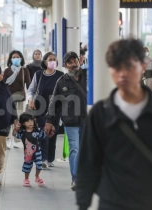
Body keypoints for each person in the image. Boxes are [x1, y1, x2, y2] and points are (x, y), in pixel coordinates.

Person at [76, 38, 152, 210]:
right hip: (112, 202)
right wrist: (83, 205)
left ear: (142, 66)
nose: (122, 73)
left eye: (129, 66)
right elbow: (87, 163)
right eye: (116, 67)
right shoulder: (101, 112)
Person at [44, 51, 87, 190]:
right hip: (70, 121)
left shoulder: (87, 77)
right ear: (65, 65)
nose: (73, 64)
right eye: (70, 62)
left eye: (75, 61)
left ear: (79, 62)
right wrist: (49, 121)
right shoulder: (61, 81)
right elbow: (53, 103)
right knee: (74, 149)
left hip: (87, 120)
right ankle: (76, 179)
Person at [27, 52, 64, 168]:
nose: (52, 61)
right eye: (50, 59)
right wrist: (30, 99)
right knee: (42, 133)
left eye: (54, 59)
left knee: (52, 132)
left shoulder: (61, 75)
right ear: (45, 62)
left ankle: (50, 158)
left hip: (55, 109)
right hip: (40, 108)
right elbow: (31, 90)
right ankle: (42, 158)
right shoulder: (39, 74)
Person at [3, 50, 31, 149]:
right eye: (14, 57)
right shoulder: (7, 71)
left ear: (21, 59)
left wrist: (31, 98)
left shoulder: (24, 70)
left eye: (18, 57)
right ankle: (9, 138)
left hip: (20, 98)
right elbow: (3, 84)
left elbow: (29, 85)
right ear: (11, 59)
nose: (16, 59)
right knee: (9, 118)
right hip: (8, 98)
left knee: (18, 119)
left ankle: (15, 138)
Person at [13, 113, 45, 187]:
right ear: (23, 123)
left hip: (37, 152)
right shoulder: (22, 132)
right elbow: (14, 135)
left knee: (39, 165)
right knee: (27, 166)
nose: (30, 122)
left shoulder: (37, 130)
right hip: (28, 154)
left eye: (31, 120)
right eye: (27, 121)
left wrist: (47, 131)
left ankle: (37, 177)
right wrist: (16, 129)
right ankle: (26, 179)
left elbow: (43, 136)